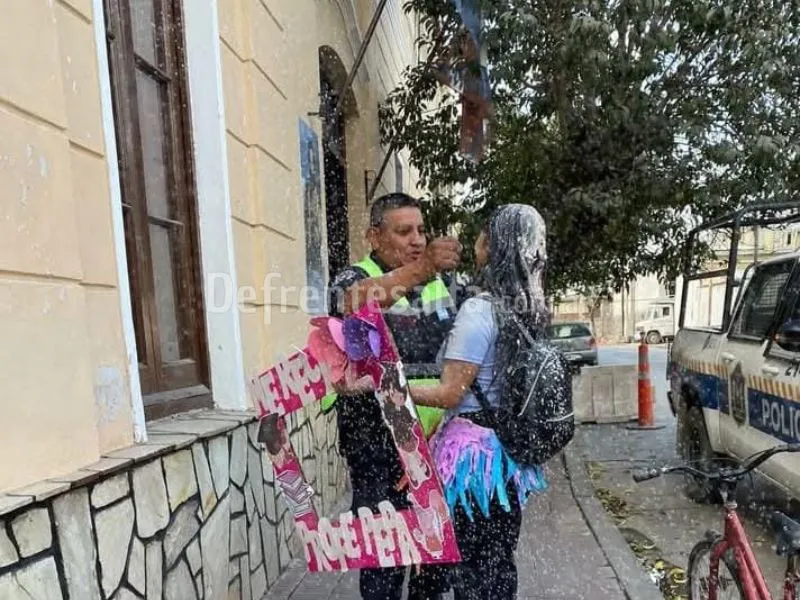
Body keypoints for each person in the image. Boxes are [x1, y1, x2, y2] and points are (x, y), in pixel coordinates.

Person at [409, 204, 551, 600]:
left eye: (481, 235)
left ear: (490, 246)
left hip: (473, 463)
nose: (474, 243)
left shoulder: (479, 308)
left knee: (470, 571)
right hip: (506, 455)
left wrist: (393, 385)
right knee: (498, 562)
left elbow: (450, 393)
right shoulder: (530, 307)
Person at [326, 192, 462, 600]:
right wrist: (422, 268)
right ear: (374, 236)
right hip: (376, 447)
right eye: (404, 232)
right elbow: (354, 302)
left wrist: (436, 440)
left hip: (433, 447)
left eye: (421, 230)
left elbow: (457, 363)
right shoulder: (352, 278)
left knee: (433, 569)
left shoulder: (442, 284)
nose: (417, 240)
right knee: (384, 563)